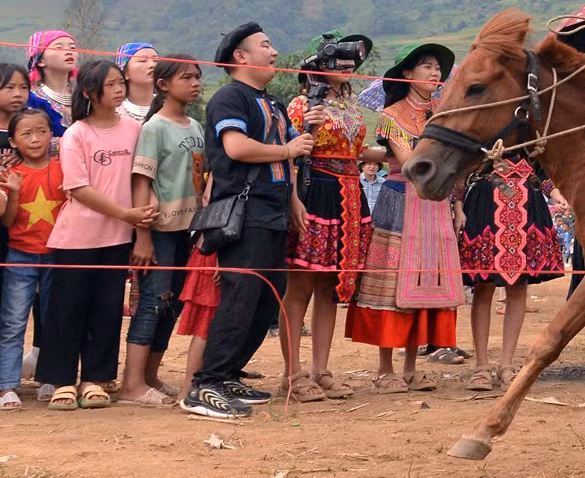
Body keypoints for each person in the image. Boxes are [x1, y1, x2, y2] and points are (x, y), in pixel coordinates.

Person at [181, 24, 311, 420]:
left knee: (267, 297)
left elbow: (286, 157)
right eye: (266, 45)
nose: (274, 52)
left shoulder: (271, 102)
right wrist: (288, 148)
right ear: (240, 57)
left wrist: (292, 200)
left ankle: (228, 374)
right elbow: (236, 148)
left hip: (272, 210)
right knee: (240, 297)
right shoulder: (229, 97)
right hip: (246, 210)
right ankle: (205, 385)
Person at [346, 42, 462, 396]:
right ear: (407, 75)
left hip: (436, 203)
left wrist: (457, 203)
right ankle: (385, 369)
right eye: (426, 66)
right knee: (391, 284)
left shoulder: (443, 112)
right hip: (400, 200)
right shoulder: (392, 114)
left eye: (437, 68)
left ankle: (411, 368)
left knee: (427, 282)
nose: (434, 73)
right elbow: (411, 162)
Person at [41, 61, 156, 411]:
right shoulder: (77, 133)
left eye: (121, 82)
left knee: (106, 310)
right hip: (76, 238)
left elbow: (142, 179)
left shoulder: (135, 130)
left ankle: (96, 379)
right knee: (67, 309)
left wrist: (140, 228)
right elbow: (77, 187)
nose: (119, 89)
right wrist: (126, 214)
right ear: (91, 93)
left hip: (118, 238)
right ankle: (61, 380)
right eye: (111, 85)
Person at [283, 35, 378, 402]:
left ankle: (321, 370)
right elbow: (294, 153)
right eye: (337, 60)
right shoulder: (302, 103)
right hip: (316, 191)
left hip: (351, 194)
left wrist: (399, 154)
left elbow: (355, 151)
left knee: (330, 286)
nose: (347, 65)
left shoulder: (352, 105)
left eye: (350, 60)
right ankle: (293, 374)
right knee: (301, 285)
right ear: (318, 66)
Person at [123, 53, 204, 407]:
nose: (196, 83)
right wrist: (142, 235)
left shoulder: (195, 126)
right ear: (163, 85)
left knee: (171, 304)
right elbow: (142, 182)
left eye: (198, 76)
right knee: (153, 301)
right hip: (160, 230)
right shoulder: (154, 127)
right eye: (187, 77)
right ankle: (131, 384)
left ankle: (151, 375)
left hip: (188, 227)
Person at [458, 148, 565, 392]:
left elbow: (542, 165)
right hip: (486, 199)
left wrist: (555, 193)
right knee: (483, 287)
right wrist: (458, 203)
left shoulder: (529, 122)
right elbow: (463, 162)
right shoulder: (484, 119)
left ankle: (506, 364)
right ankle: (481, 366)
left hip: (527, 203)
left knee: (518, 287)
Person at [0, 107, 62, 409]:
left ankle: (49, 378)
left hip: (56, 256)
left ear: (52, 134)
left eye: (41, 131)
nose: (35, 138)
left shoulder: (63, 169)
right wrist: (12, 192)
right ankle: (7, 384)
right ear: (12, 141)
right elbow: (9, 222)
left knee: (52, 319)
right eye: (26, 133)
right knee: (13, 320)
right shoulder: (11, 174)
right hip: (20, 255)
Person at [24, 30, 79, 140]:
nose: (69, 52)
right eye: (59, 47)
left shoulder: (85, 96)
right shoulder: (30, 99)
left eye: (72, 48)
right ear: (40, 61)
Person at [116, 43, 159, 124]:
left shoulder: (169, 106)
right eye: (143, 60)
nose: (152, 65)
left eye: (156, 60)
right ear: (125, 73)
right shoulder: (113, 110)